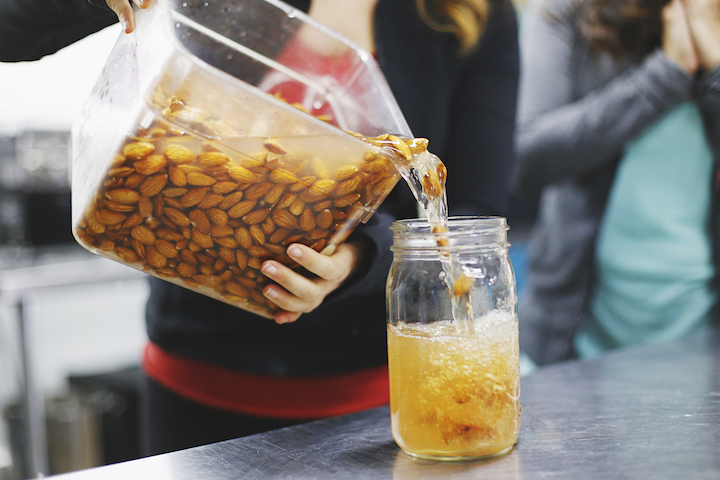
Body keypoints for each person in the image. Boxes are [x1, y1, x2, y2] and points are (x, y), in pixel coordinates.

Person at [0, 0, 519, 455]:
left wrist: (356, 258)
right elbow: (12, 29)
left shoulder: (471, 15)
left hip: (369, 405)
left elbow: (470, 215)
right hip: (196, 386)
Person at [514, 0, 720, 367]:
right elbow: (524, 158)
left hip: (702, 333)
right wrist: (666, 74)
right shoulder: (565, 13)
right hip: (571, 338)